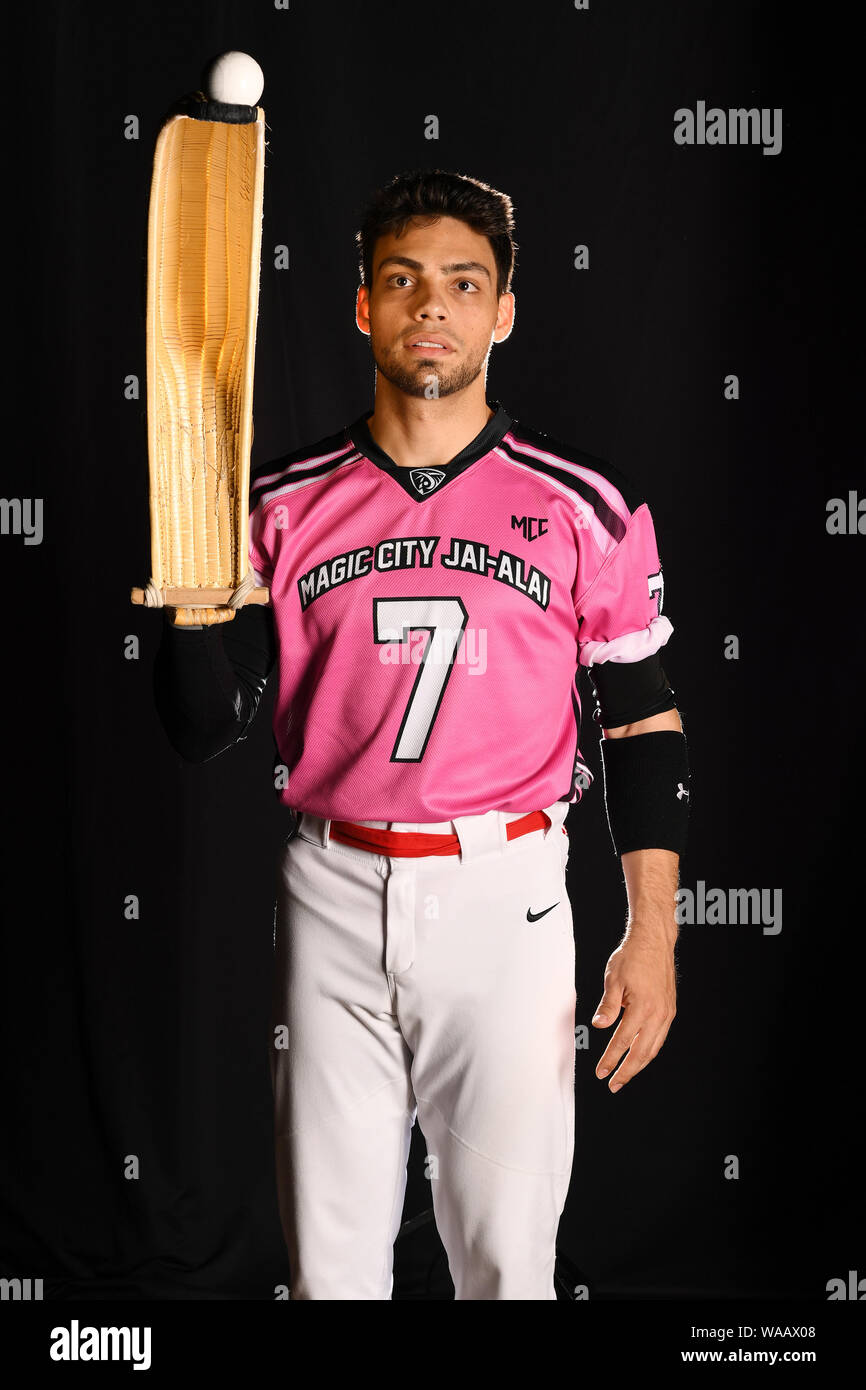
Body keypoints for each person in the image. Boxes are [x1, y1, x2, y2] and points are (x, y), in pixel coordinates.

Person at [153, 168, 689, 1300]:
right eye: (401, 282)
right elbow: (205, 728)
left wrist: (652, 933)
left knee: (504, 1263)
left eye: (460, 283)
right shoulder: (281, 504)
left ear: (500, 312)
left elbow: (640, 718)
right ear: (362, 307)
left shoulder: (578, 501)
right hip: (332, 891)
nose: (430, 307)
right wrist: (180, 590)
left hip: (507, 896)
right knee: (330, 1273)